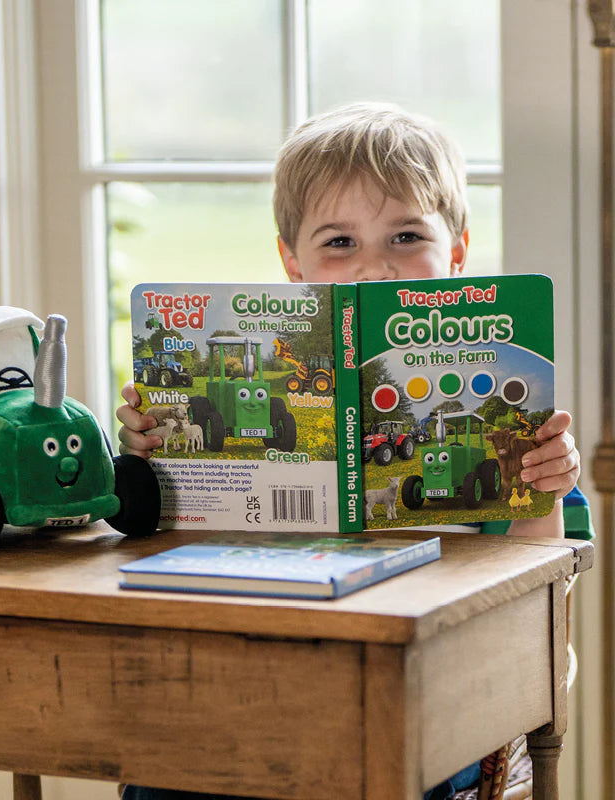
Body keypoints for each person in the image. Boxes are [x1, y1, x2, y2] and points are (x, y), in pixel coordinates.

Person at [115, 102, 591, 800]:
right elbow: (177, 545)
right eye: (339, 243)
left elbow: (544, 590)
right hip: (270, 688)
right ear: (293, 264)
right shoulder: (269, 389)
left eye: (405, 235)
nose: (373, 266)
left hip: (430, 698)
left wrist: (545, 484)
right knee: (171, 752)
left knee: (375, 756)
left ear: (456, 250)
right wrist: (152, 457)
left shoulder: (499, 411)